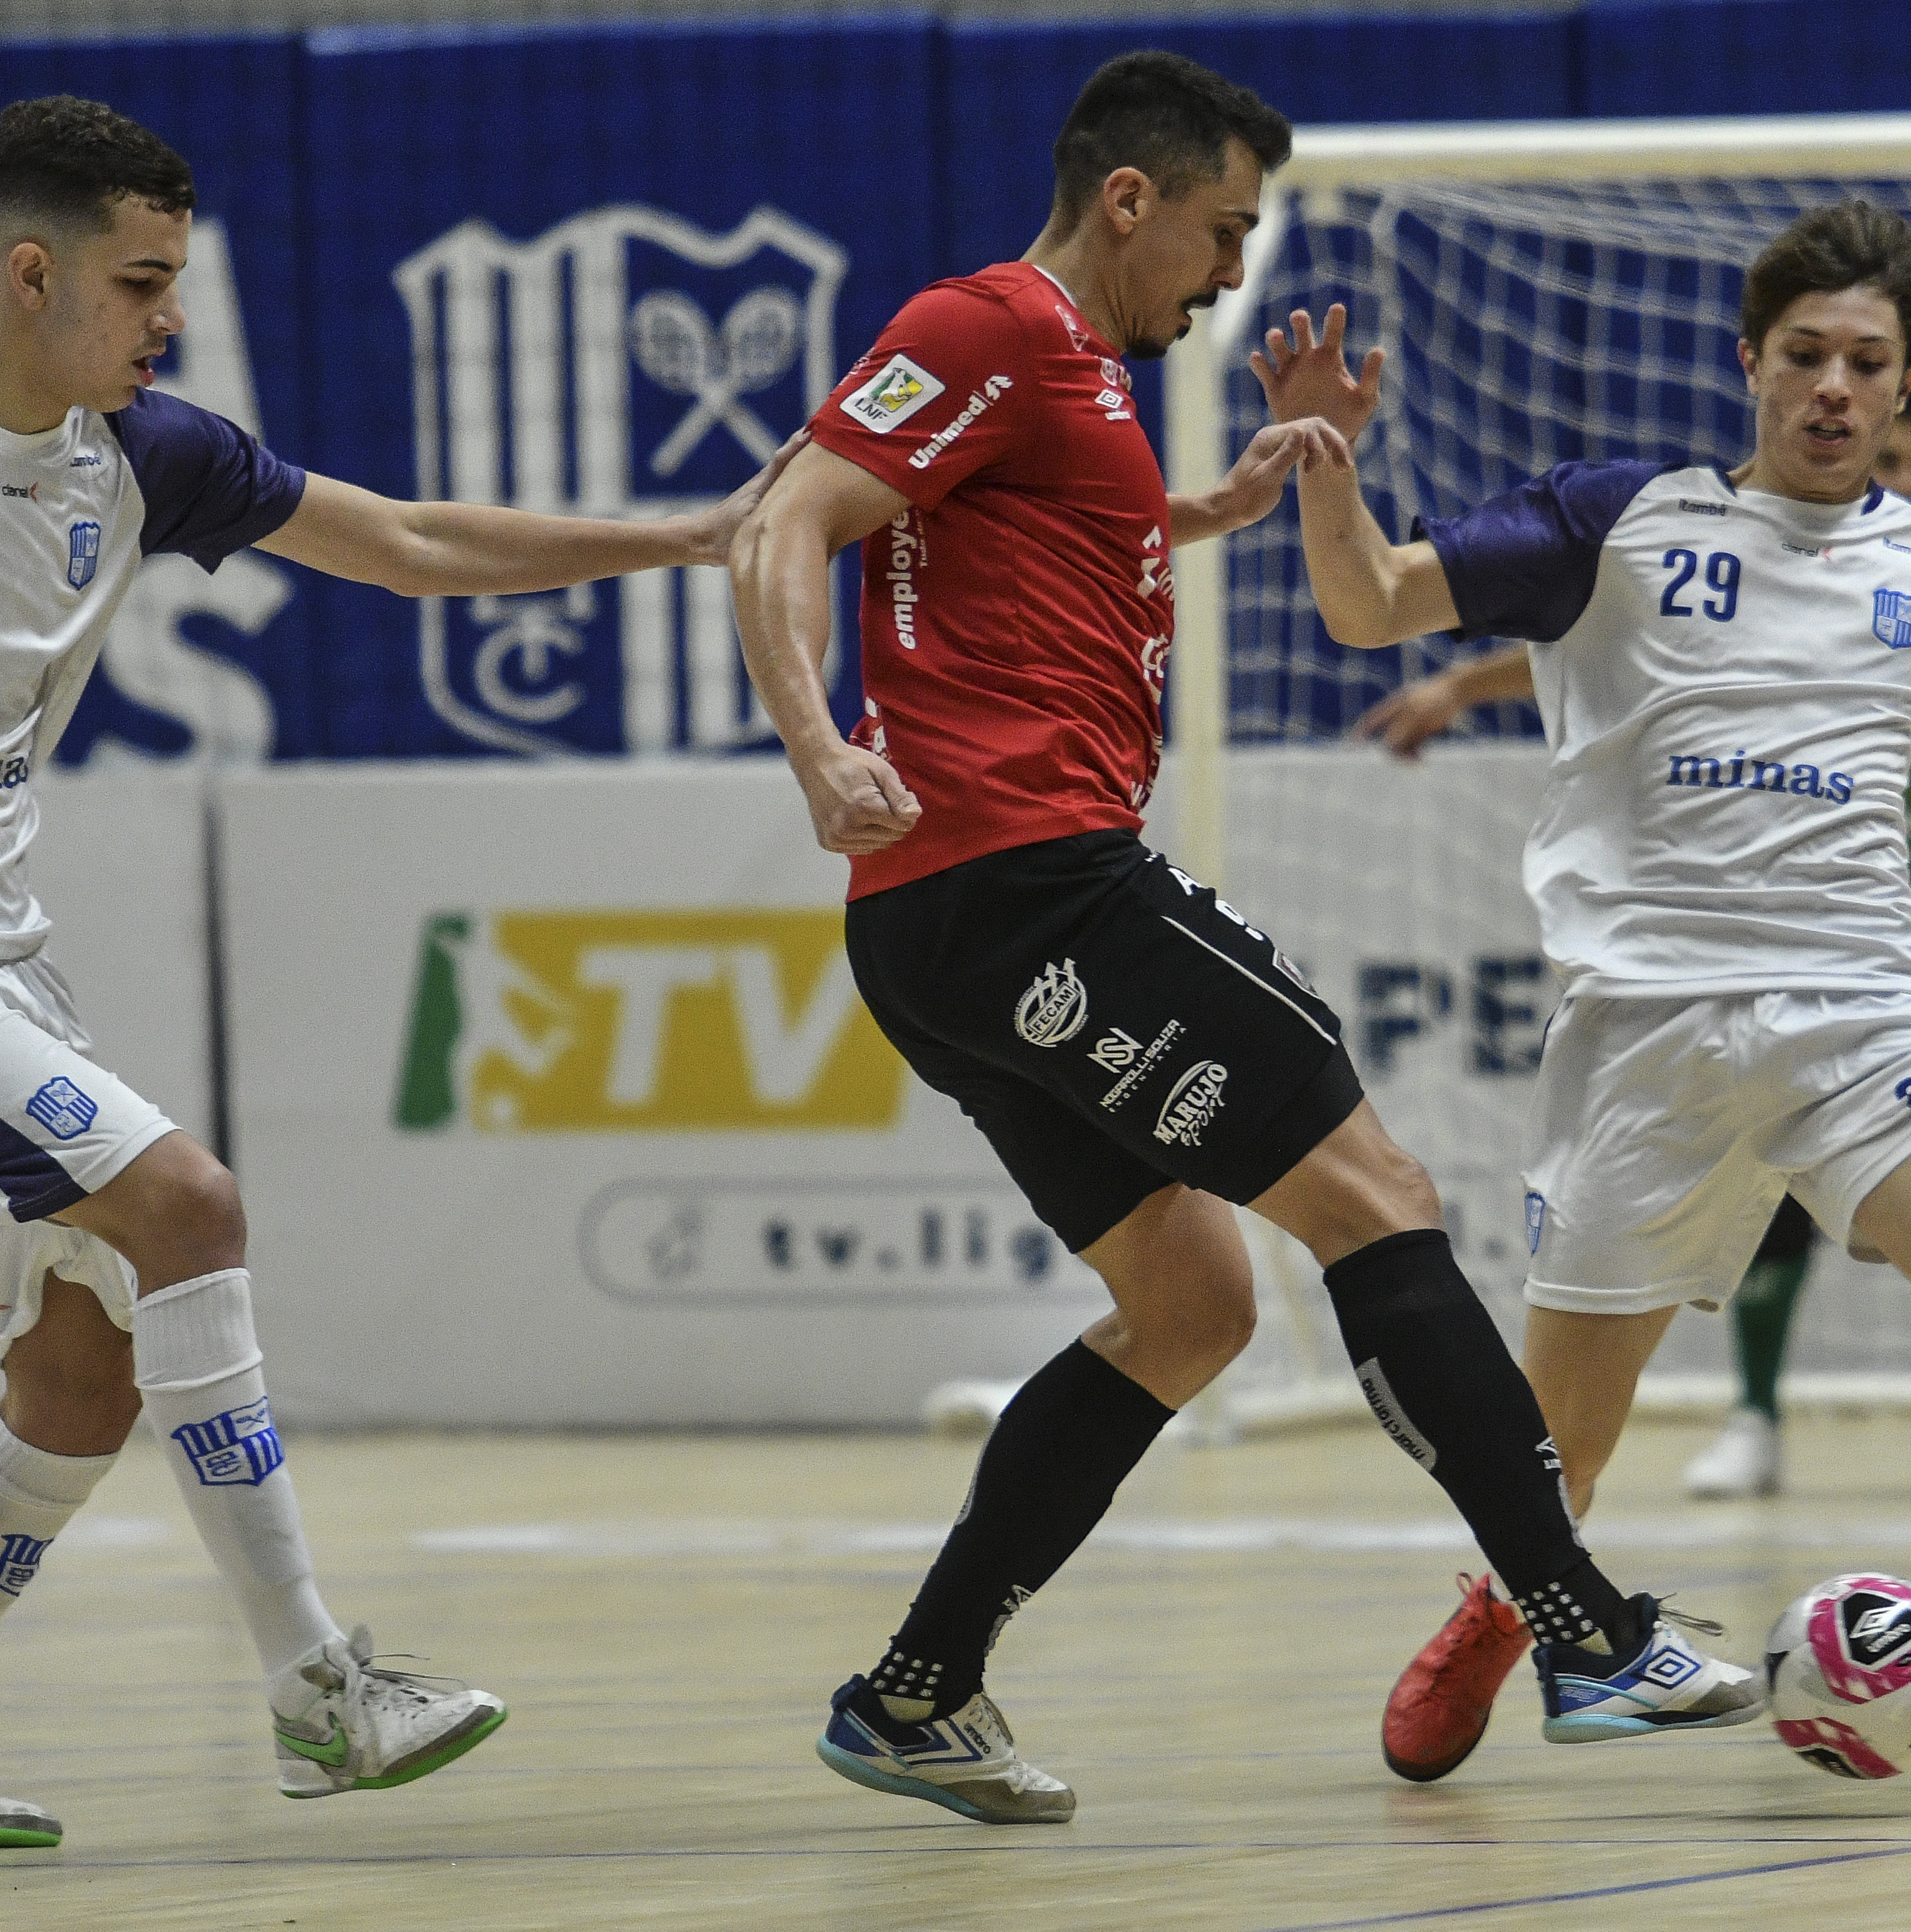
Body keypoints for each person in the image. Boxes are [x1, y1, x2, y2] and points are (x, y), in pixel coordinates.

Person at [0, 97, 793, 1849]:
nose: (167, 316)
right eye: (141, 281)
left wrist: (688, 537)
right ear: (31, 275)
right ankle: (320, 1683)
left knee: (84, 1380)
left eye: (174, 281)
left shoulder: (146, 453)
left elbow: (405, 546)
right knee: (188, 1201)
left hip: (1, 977)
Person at [731, 50, 1762, 1827]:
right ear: (1125, 196)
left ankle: (916, 1687)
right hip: (1029, 879)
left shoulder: (1077, 385)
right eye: (1220, 231)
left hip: (946, 931)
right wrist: (819, 747)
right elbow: (784, 518)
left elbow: (1034, 544)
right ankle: (1584, 1623)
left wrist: (1220, 502)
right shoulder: (981, 322)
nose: (1228, 277)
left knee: (1192, 1305)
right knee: (1377, 1194)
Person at [1255, 199, 1911, 1785]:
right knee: (1565, 1453)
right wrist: (1328, 475)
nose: (1834, 385)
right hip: (1648, 1039)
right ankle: (1502, 1612)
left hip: (1857, 1019)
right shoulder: (1616, 520)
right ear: (1750, 361)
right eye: (1807, 354)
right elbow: (1371, 605)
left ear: (1906, 390)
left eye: (1868, 363)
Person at [1356, 373, 1911, 1502]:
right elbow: (1616, 618)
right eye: (1899, 458)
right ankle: (1752, 1422)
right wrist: (1462, 689)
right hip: (1762, 944)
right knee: (1744, 1205)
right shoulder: (1739, 547)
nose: (1910, 475)